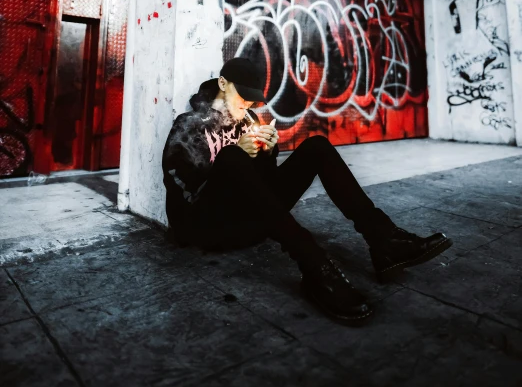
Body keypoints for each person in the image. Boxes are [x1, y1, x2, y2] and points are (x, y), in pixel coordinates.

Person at [162, 58, 452, 325]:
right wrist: (234, 155)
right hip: (211, 228)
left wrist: (267, 150)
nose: (248, 102)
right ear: (223, 84)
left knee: (316, 146)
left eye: (253, 97)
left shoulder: (248, 120)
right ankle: (316, 267)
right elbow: (185, 196)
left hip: (253, 221)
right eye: (243, 94)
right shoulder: (188, 126)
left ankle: (384, 241)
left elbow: (265, 183)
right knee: (231, 157)